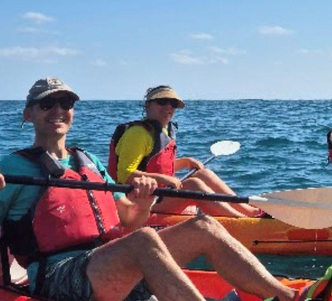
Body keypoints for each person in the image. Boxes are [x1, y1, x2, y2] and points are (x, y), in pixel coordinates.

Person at [0, 78, 332, 301]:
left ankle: (290, 297)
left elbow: (127, 220)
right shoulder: (14, 168)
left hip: (104, 264)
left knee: (203, 225)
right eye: (47, 104)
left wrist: (140, 203)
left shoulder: (87, 159)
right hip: (58, 275)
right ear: (28, 114)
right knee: (145, 241)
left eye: (66, 104)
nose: (58, 110)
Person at [108, 85, 261, 217]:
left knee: (203, 173)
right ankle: (242, 220)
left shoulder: (162, 131)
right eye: (162, 101)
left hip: (159, 194)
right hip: (138, 201)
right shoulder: (137, 134)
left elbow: (151, 164)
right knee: (193, 184)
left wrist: (185, 162)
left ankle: (250, 211)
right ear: (148, 105)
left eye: (173, 103)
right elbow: (125, 175)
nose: (168, 107)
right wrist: (164, 179)